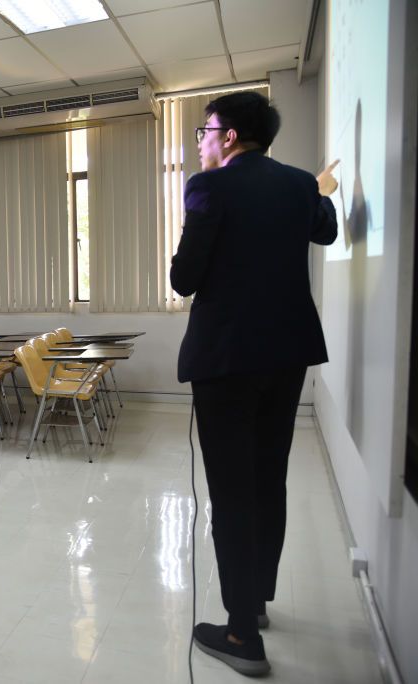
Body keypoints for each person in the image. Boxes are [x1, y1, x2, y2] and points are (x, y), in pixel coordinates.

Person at [170, 91, 339, 676]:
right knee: (269, 480)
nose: (200, 140)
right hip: (287, 356)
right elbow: (327, 232)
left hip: (224, 362)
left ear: (231, 136)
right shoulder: (298, 185)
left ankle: (242, 635)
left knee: (233, 493)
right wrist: (317, 190)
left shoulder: (209, 188)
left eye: (204, 130)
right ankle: (256, 601)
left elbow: (184, 278)